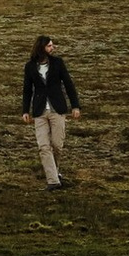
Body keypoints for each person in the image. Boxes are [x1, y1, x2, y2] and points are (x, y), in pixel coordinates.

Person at [21, 34, 82, 188]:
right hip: (39, 111)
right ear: (41, 48)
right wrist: (25, 110)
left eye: (52, 45)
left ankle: (55, 171)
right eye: (49, 45)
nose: (52, 48)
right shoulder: (30, 67)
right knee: (43, 146)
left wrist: (75, 106)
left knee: (56, 145)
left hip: (57, 109)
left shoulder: (58, 63)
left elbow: (69, 84)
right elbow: (27, 90)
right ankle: (53, 181)